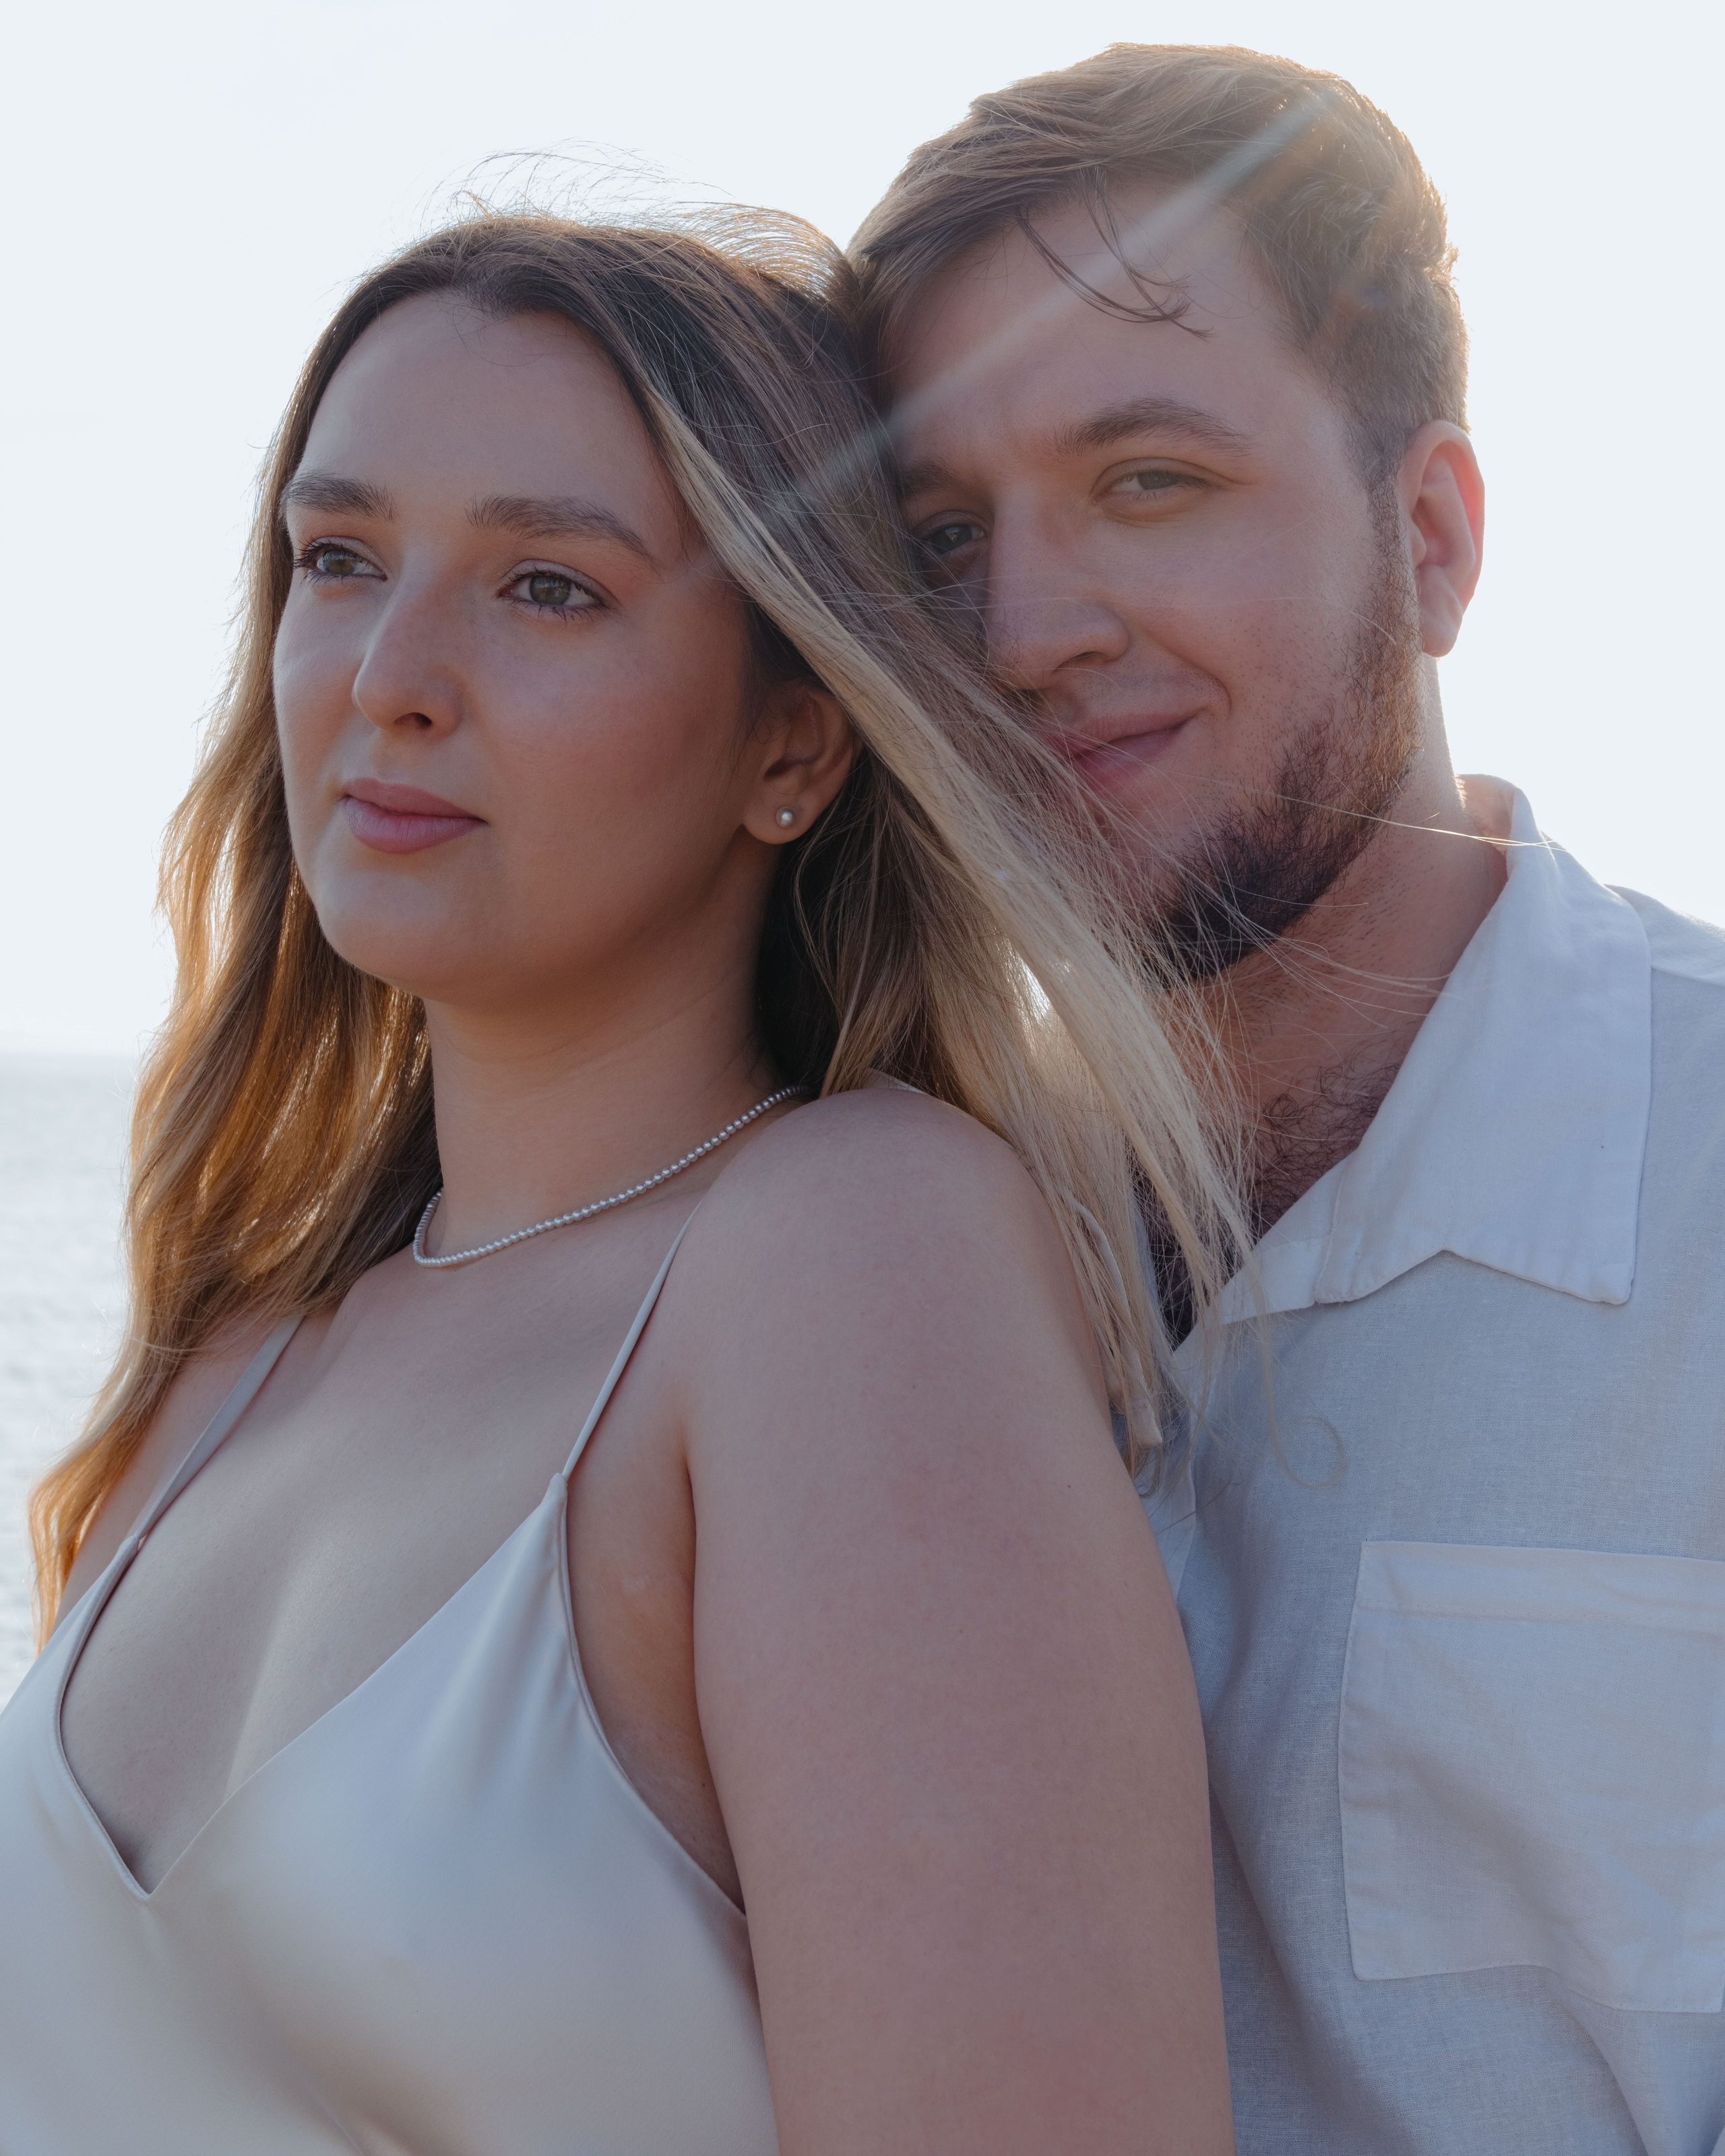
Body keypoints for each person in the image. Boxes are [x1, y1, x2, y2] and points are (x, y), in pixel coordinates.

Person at [0, 212, 1241, 2154]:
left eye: (548, 588)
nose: (390, 676)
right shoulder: (235, 1349)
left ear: (792, 742)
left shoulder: (852, 1255)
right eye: (340, 559)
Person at [851, 42, 1725, 2156]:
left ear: (1429, 542)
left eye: (1149, 480)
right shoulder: (876, 1247)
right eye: (942, 536)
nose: (1025, 631)